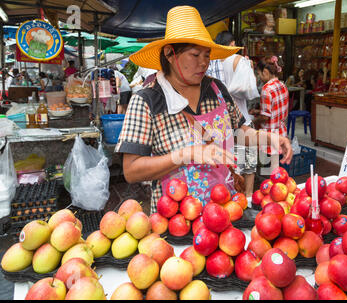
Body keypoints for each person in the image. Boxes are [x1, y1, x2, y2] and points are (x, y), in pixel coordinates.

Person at [115, 6, 292, 213]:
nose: (203, 63)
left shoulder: (216, 89)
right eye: (195, 54)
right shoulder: (146, 101)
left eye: (207, 55)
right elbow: (131, 170)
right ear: (170, 53)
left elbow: (239, 131)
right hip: (176, 220)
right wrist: (188, 153)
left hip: (225, 211)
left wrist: (267, 138)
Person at [214, 30, 259, 197]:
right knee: (248, 163)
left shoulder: (209, 63)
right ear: (232, 44)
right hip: (241, 120)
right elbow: (250, 92)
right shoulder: (239, 61)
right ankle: (246, 198)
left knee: (228, 163)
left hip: (219, 122)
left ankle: (230, 197)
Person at [253, 56, 289, 173]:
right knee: (277, 166)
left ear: (266, 72)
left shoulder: (266, 89)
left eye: (259, 74)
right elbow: (276, 109)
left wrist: (253, 122)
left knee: (272, 169)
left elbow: (265, 117)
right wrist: (258, 111)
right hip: (281, 131)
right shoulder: (282, 85)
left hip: (270, 135)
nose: (259, 77)